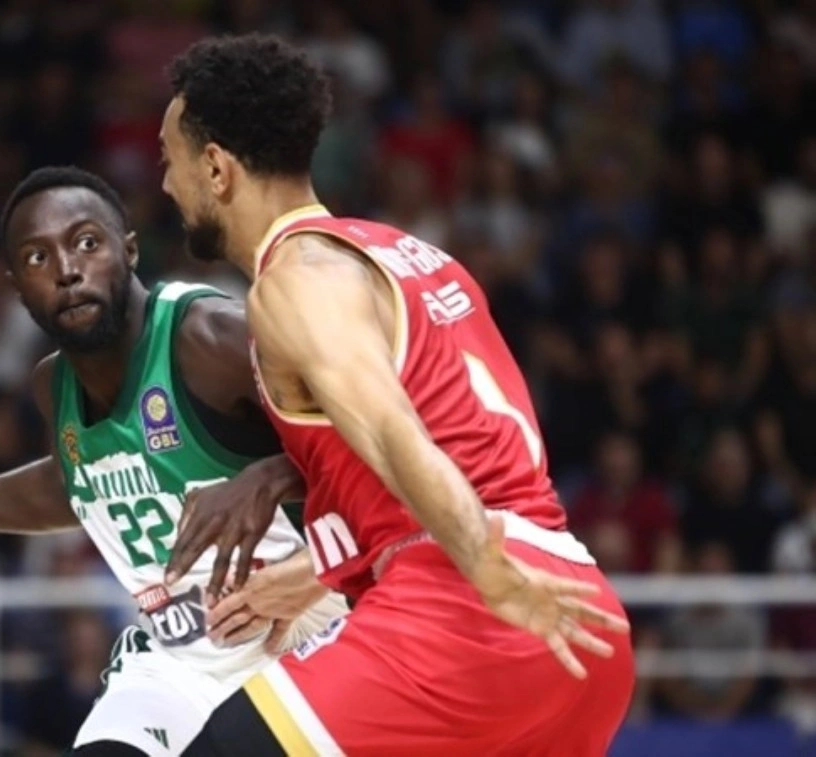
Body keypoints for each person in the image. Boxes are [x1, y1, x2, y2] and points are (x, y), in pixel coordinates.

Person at [157, 35, 635, 756]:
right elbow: (458, 442)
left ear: (217, 168)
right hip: (576, 608)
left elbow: (391, 429)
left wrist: (484, 568)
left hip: (470, 607)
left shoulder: (295, 280)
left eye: (171, 160)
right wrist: (322, 566)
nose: (166, 184)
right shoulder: (405, 254)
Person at [0, 166, 347, 756]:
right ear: (17, 287)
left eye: (86, 242)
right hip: (179, 665)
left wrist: (306, 551)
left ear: (128, 250)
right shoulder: (52, 388)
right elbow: (75, 486)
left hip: (308, 633)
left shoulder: (211, 339)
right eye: (37, 258)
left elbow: (385, 446)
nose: (66, 270)